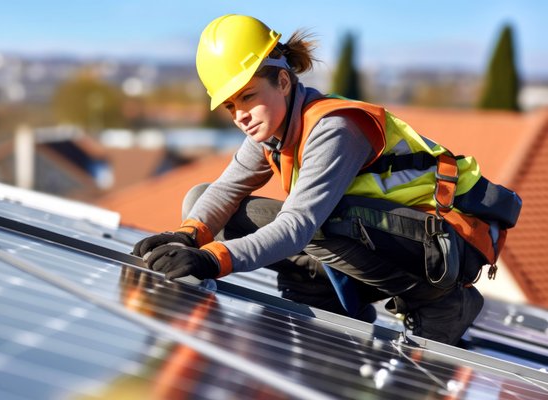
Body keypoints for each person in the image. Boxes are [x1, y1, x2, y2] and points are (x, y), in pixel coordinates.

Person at [132, 14, 505, 345]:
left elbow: (297, 226)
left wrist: (212, 261)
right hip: (397, 239)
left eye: (247, 96)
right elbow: (224, 190)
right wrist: (187, 235)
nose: (241, 115)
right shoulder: (271, 131)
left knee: (319, 222)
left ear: (282, 81)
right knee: (201, 197)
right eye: (231, 105)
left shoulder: (334, 128)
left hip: (444, 246)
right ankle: (318, 286)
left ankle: (440, 303)